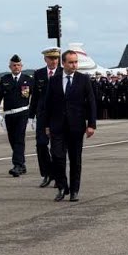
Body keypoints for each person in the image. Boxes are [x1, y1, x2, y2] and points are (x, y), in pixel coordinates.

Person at [44, 49, 97, 202]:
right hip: (57, 126)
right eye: (71, 62)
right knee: (57, 156)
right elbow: (48, 104)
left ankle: (74, 190)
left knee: (75, 159)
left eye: (76, 62)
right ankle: (62, 186)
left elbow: (91, 103)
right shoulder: (54, 80)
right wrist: (46, 124)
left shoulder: (83, 79)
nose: (74, 65)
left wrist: (91, 124)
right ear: (63, 63)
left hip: (76, 126)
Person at [0, 54, 34, 177]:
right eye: (14, 65)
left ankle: (17, 165)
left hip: (22, 112)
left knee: (19, 138)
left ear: (22, 66)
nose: (16, 67)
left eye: (18, 65)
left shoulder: (28, 79)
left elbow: (35, 97)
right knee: (12, 139)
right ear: (10, 67)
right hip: (9, 114)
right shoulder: (5, 79)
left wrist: (34, 113)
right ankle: (22, 164)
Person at [28, 46, 62, 188]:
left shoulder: (62, 73)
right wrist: (31, 115)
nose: (54, 61)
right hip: (42, 115)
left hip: (58, 116)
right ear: (45, 59)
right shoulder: (39, 74)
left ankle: (59, 175)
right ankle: (47, 173)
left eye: (56, 58)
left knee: (57, 148)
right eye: (51, 58)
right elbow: (35, 96)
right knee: (41, 145)